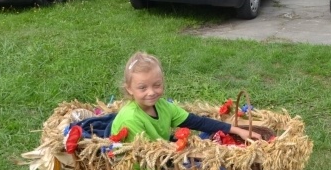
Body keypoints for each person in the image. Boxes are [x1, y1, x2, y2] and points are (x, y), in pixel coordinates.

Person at [109, 51, 256, 144]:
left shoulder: (162, 106)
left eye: (156, 85)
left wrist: (236, 130)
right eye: (142, 87)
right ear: (129, 89)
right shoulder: (131, 118)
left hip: (163, 151)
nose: (151, 92)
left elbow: (197, 122)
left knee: (211, 134)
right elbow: (150, 154)